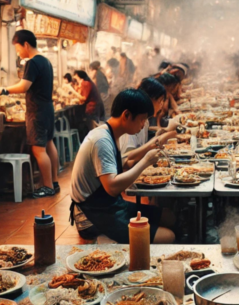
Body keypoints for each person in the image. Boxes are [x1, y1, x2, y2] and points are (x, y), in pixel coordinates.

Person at [69, 89, 176, 244]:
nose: (143, 124)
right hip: (92, 217)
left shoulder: (111, 133)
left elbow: (125, 162)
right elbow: (112, 187)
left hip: (110, 206)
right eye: (141, 119)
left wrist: (151, 150)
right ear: (126, 115)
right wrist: (146, 161)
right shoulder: (101, 140)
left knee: (169, 216)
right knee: (168, 236)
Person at [0, 30, 59, 197]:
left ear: (26, 45)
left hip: (37, 111)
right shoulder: (46, 61)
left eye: (18, 48)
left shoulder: (33, 63)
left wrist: (4, 90)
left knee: (39, 150)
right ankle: (54, 182)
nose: (18, 52)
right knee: (49, 144)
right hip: (48, 109)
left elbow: (23, 87)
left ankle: (48, 187)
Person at [119, 78, 180, 168]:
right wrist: (158, 140)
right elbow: (127, 160)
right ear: (148, 99)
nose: (162, 104)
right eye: (160, 101)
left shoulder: (145, 121)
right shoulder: (132, 122)